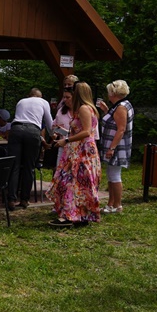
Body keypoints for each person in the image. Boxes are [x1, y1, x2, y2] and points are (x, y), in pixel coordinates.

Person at [49, 82, 101, 227]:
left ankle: (70, 216)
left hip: (82, 150)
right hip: (81, 149)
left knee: (71, 183)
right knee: (78, 184)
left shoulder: (84, 108)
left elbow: (86, 131)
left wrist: (66, 140)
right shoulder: (89, 108)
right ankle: (79, 215)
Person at [6, 88, 53, 209]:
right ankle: (24, 199)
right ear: (40, 97)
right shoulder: (43, 102)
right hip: (32, 131)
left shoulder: (21, 101)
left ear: (29, 95)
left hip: (16, 129)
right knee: (29, 167)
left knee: (14, 166)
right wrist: (54, 135)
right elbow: (49, 124)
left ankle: (11, 199)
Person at [96, 80, 133, 214]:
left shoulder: (121, 107)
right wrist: (106, 110)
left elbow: (121, 129)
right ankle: (110, 204)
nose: (108, 95)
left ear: (113, 93)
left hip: (117, 146)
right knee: (111, 175)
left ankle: (117, 205)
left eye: (109, 92)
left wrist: (112, 148)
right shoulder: (118, 105)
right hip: (113, 145)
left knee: (115, 176)